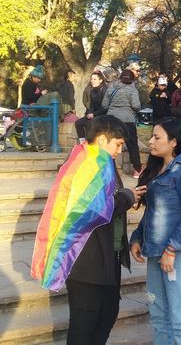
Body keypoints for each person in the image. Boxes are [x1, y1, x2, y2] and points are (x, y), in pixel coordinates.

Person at [31, 115, 144, 344]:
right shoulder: (88, 163)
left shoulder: (100, 160)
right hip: (86, 260)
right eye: (118, 144)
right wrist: (127, 197)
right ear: (103, 139)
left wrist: (126, 197)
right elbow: (92, 209)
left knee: (107, 313)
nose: (120, 150)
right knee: (84, 326)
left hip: (106, 256)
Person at [130, 117, 181, 343]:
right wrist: (137, 238)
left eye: (157, 137)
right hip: (155, 250)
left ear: (173, 142)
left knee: (180, 317)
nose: (151, 141)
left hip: (179, 252)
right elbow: (153, 211)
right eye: (151, 136)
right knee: (159, 313)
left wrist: (171, 249)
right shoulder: (157, 170)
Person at [102, 69, 142, 179]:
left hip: (112, 120)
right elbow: (136, 106)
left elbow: (104, 105)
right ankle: (137, 170)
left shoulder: (111, 88)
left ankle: (108, 169)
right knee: (132, 145)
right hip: (127, 120)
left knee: (110, 144)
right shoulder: (132, 90)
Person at [74, 71, 108, 142]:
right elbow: (91, 105)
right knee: (78, 123)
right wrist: (90, 112)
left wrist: (93, 114)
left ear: (100, 80)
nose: (92, 81)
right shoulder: (92, 90)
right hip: (93, 114)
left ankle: (92, 144)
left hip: (103, 114)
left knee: (89, 124)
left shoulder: (104, 90)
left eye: (94, 79)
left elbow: (105, 107)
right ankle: (83, 143)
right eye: (91, 79)